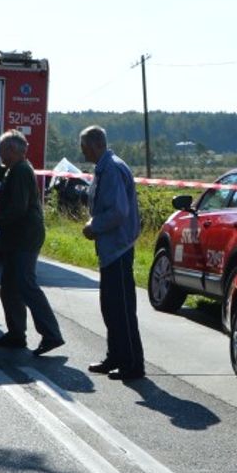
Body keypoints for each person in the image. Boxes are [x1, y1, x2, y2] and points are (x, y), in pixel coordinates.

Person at [0, 130, 64, 356]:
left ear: (12, 150)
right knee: (9, 289)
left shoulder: (20, 172)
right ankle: (16, 334)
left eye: (2, 149)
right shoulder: (14, 170)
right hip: (17, 237)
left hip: (25, 237)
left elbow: (18, 208)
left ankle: (51, 334)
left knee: (26, 285)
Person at [79, 125, 145, 381]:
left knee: (121, 309)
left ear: (96, 145)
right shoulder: (105, 167)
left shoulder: (113, 169)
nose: (83, 153)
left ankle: (132, 364)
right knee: (110, 307)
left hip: (118, 248)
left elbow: (118, 211)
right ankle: (115, 356)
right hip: (110, 249)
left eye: (84, 148)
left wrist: (93, 226)